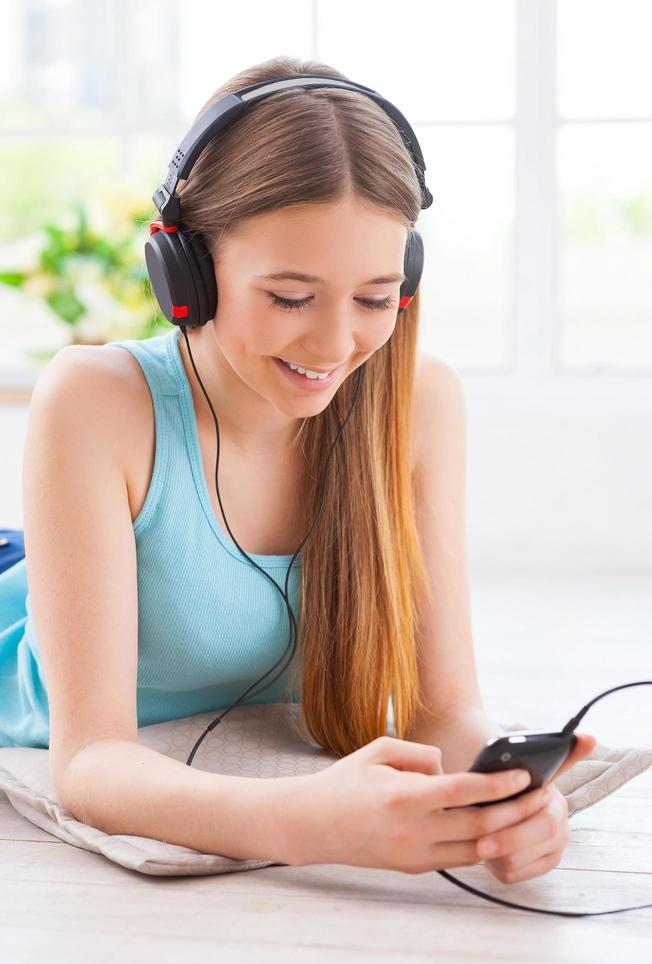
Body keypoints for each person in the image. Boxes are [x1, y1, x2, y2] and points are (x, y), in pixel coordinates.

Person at [0, 55, 594, 879]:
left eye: (375, 298)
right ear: (188, 273)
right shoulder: (96, 400)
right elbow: (91, 762)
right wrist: (306, 824)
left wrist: (511, 800)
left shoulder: (418, 403)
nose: (334, 345)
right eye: (288, 297)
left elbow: (441, 710)